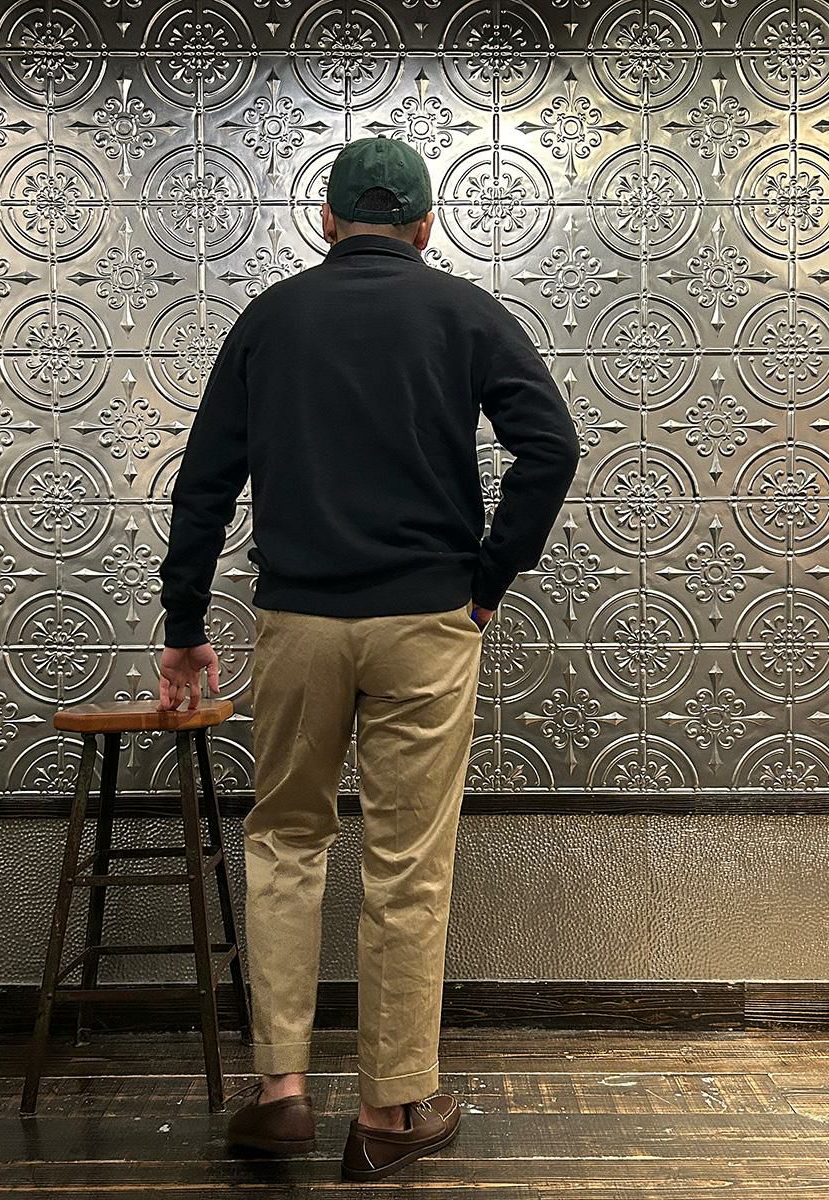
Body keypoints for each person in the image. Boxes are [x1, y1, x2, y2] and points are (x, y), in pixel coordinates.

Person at [157, 136, 580, 1182]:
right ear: (427, 225)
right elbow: (551, 446)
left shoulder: (271, 318)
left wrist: (184, 625)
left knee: (286, 841)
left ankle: (281, 1092)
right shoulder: (466, 312)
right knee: (407, 861)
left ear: (327, 220)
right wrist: (491, 574)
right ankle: (390, 1111)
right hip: (428, 621)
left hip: (298, 620)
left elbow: (204, 483)